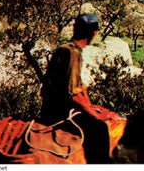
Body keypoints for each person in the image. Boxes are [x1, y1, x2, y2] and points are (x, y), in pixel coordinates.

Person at [40, 13, 112, 163]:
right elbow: (72, 93)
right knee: (101, 130)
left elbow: (78, 88)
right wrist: (96, 115)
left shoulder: (68, 49)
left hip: (53, 108)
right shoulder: (72, 53)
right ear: (94, 33)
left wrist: (91, 107)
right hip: (60, 113)